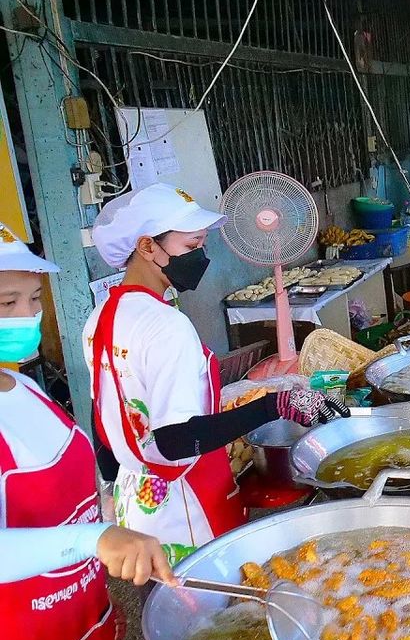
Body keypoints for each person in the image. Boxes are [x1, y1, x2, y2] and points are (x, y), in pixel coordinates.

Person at [84, 184, 348, 564]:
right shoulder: (166, 326)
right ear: (147, 247)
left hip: (137, 506)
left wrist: (112, 482)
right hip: (186, 509)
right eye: (191, 247)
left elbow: (103, 411)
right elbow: (175, 440)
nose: (201, 258)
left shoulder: (100, 318)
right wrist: (276, 404)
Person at [0, 222, 177, 640]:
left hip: (84, 625)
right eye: (8, 303)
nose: (27, 315)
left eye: (34, 299)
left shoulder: (23, 387)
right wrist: (91, 538)